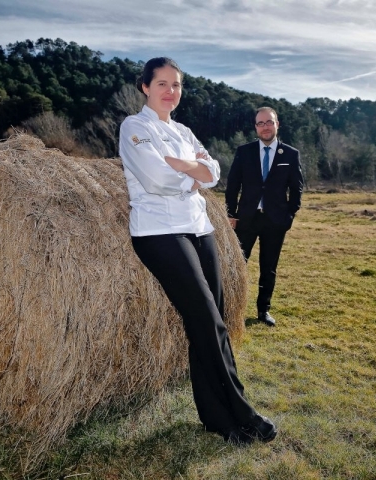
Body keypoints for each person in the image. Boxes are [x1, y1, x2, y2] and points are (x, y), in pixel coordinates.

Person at [119, 57, 277, 445]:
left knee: (213, 320)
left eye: (176, 85)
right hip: (159, 232)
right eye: (162, 84)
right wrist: (193, 174)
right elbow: (156, 180)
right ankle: (241, 411)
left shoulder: (185, 131)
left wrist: (184, 167)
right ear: (145, 87)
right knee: (208, 322)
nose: (170, 91)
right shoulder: (134, 127)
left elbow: (214, 172)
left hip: (199, 228)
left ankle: (215, 418)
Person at [225, 107, 304, 327]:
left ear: (277, 124)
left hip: (275, 221)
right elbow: (232, 186)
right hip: (246, 219)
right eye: (260, 123)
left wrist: (289, 215)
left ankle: (263, 311)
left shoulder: (290, 154)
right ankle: (230, 310)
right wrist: (231, 214)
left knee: (268, 268)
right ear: (255, 127)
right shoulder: (244, 151)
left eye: (269, 122)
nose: (265, 127)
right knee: (237, 265)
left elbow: (297, 189)